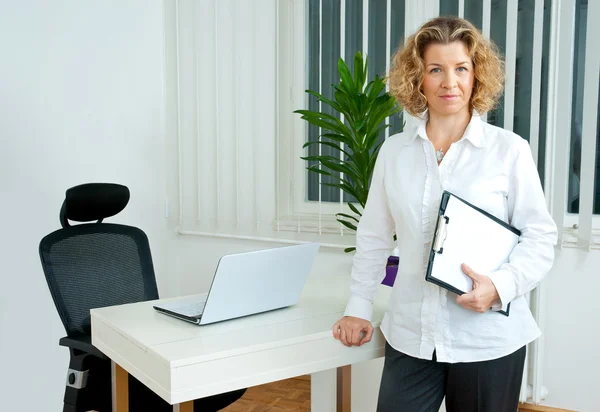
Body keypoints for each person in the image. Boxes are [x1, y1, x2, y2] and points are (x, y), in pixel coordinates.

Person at [332, 16, 558, 412]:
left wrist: (500, 286)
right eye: (435, 69)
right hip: (410, 335)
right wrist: (357, 307)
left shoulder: (509, 151)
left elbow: (541, 239)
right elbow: (373, 237)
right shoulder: (394, 154)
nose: (448, 82)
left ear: (477, 77)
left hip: (487, 340)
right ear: (417, 78)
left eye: (461, 68)